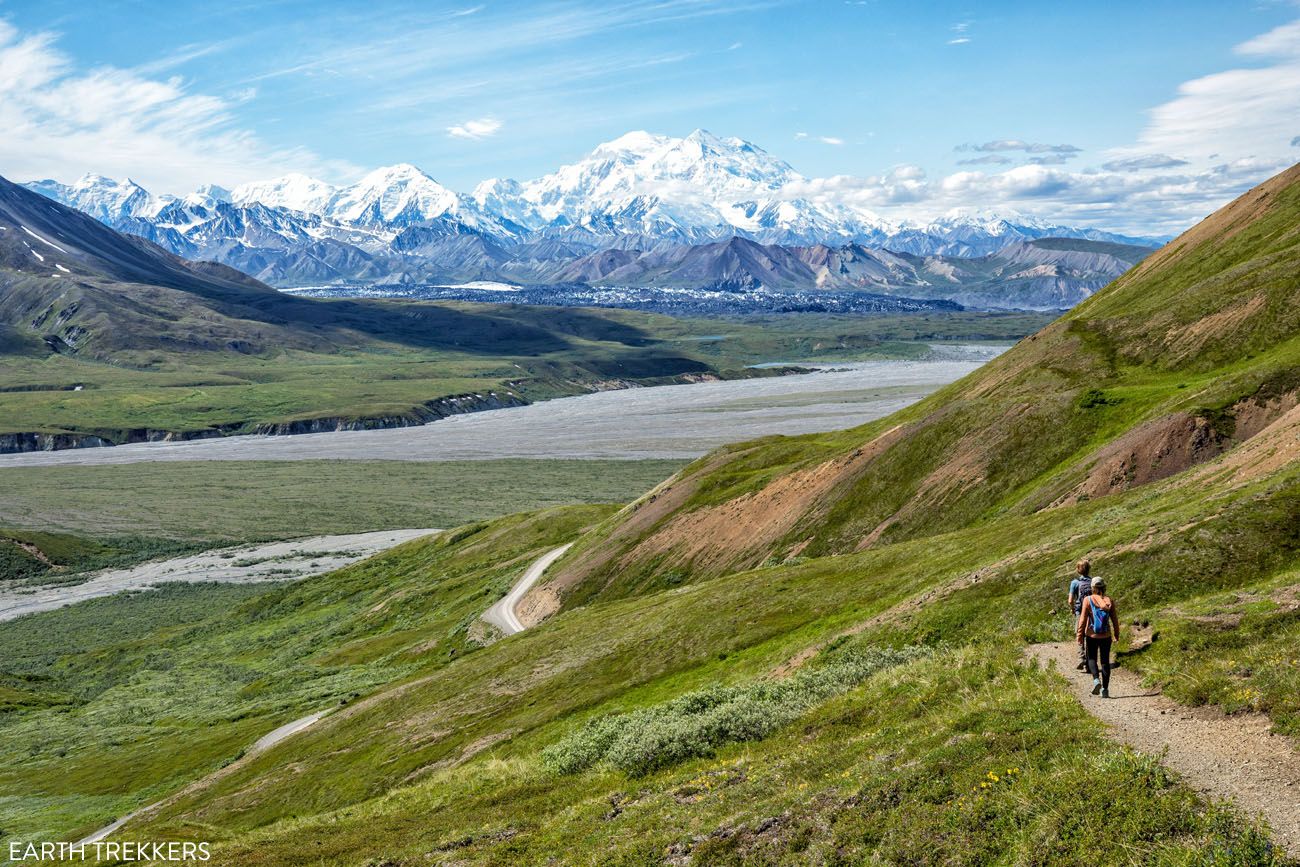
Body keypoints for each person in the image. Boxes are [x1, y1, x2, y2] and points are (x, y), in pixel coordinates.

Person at [1076, 577, 1120, 698]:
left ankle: (1096, 680)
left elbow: (1083, 620)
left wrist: (1079, 635)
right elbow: (1115, 620)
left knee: (1091, 659)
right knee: (1105, 661)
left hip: (1091, 635)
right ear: (1103, 587)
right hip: (1106, 636)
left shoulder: (1087, 600)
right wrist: (1116, 634)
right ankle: (1105, 690)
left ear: (1092, 587)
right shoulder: (1109, 601)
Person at [1067, 560, 1094, 670]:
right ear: (1088, 569)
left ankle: (1082, 658)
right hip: (1091, 612)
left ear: (1078, 570)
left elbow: (1070, 600)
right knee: (1089, 636)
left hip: (1080, 611)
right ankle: (1089, 663)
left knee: (1080, 635)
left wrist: (1073, 609)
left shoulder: (1074, 583)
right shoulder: (1093, 582)